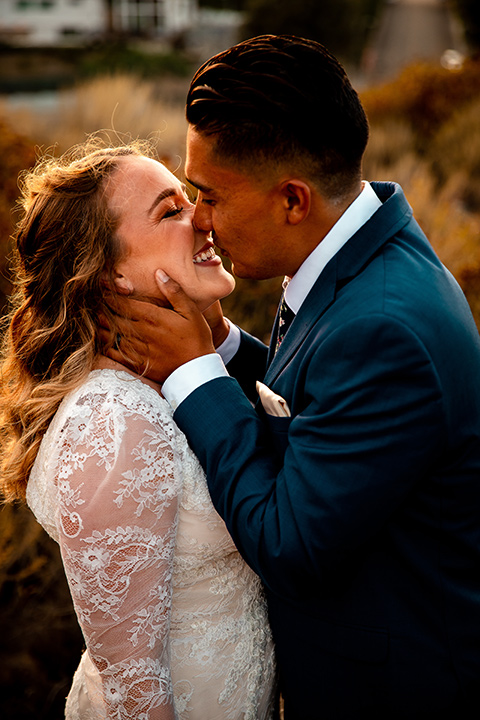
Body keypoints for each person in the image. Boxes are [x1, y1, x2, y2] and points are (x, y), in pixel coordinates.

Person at [102, 35, 480, 718]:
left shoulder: (385, 327)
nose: (199, 220)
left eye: (209, 194)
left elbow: (291, 544)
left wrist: (191, 373)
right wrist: (220, 346)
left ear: (293, 200)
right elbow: (313, 392)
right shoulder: (355, 258)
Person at [0, 141, 277, 720]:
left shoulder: (169, 378)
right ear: (113, 273)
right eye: (169, 211)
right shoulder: (114, 423)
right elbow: (134, 693)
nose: (202, 219)